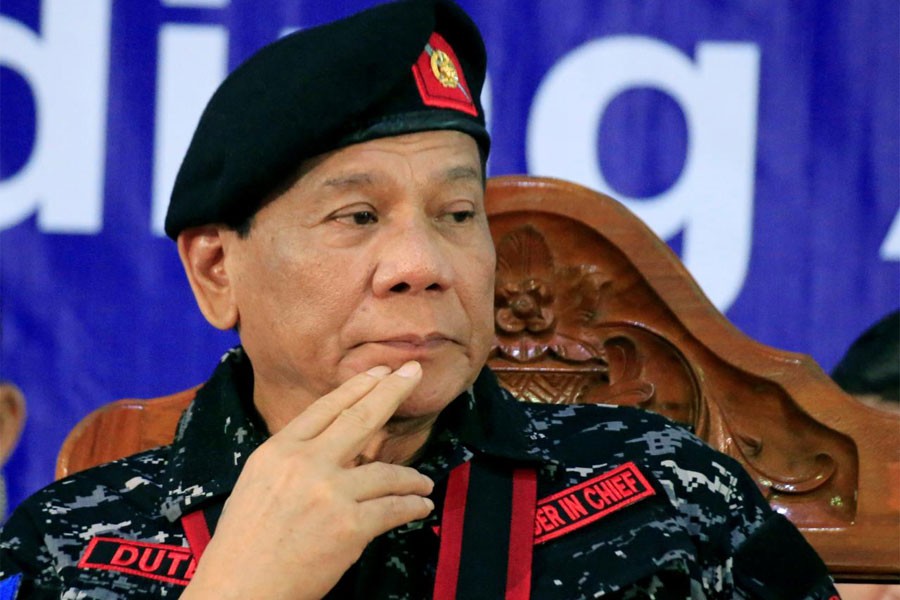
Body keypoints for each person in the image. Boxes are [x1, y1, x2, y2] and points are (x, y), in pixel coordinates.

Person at [0, 1, 840, 598]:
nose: (421, 264)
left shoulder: (662, 489)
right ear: (218, 270)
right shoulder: (80, 544)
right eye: (357, 215)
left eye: (457, 213)